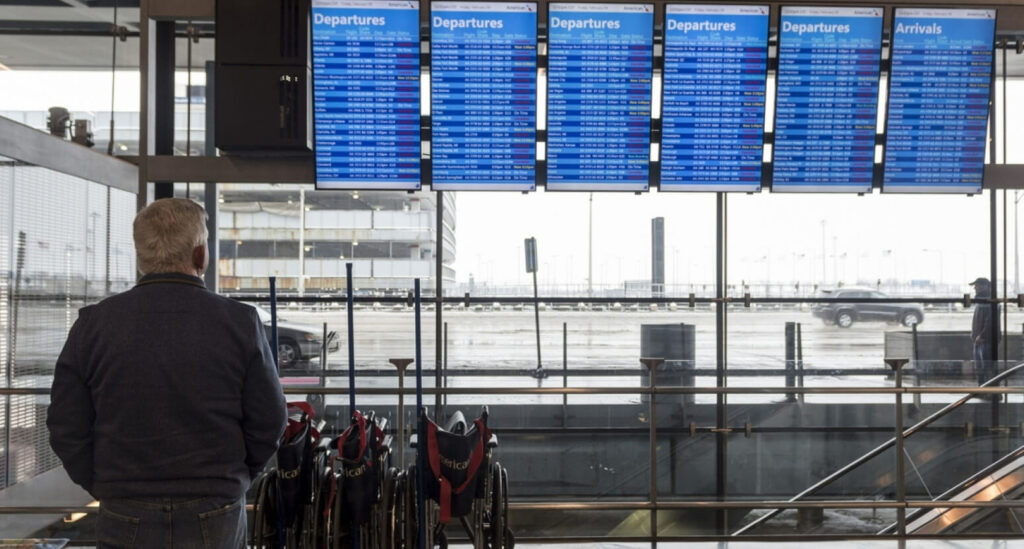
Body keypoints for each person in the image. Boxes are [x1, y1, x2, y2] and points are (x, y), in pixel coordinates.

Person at [47, 198, 287, 548]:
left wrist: (104, 485)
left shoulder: (94, 325)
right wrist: (232, 479)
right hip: (215, 508)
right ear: (200, 255)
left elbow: (66, 425)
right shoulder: (240, 323)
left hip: (123, 508)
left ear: (141, 257)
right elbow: (270, 420)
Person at [970, 277, 1000, 389]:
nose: (974, 288)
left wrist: (981, 335)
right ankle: (984, 390)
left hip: (985, 340)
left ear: (985, 286)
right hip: (980, 339)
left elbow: (990, 321)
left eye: (977, 285)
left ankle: (991, 392)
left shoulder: (987, 300)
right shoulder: (982, 300)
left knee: (987, 367)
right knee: (981, 367)